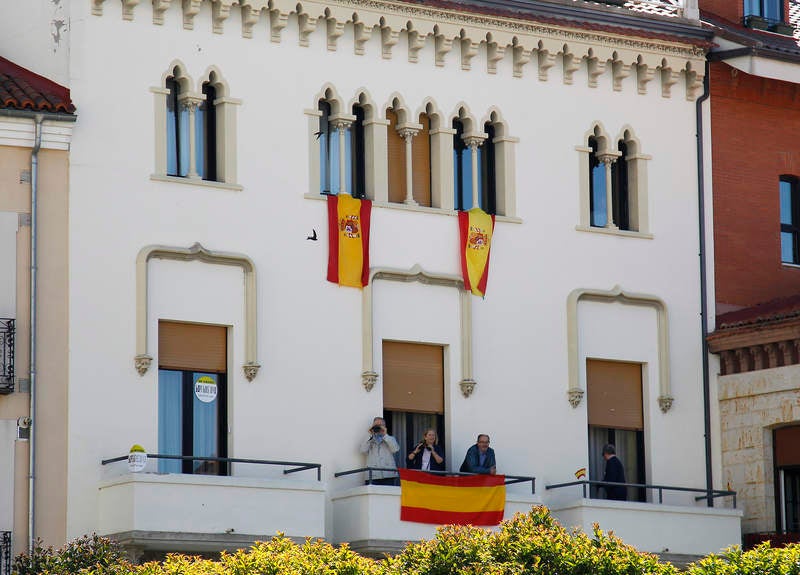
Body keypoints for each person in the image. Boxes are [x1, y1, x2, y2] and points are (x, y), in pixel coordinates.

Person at [359, 416, 399, 485]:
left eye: (380, 425)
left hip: (388, 475)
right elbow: (362, 450)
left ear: (384, 426)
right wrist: (370, 435)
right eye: (376, 425)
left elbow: (395, 449)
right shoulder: (369, 440)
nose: (378, 427)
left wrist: (385, 435)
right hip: (373, 476)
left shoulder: (390, 439)